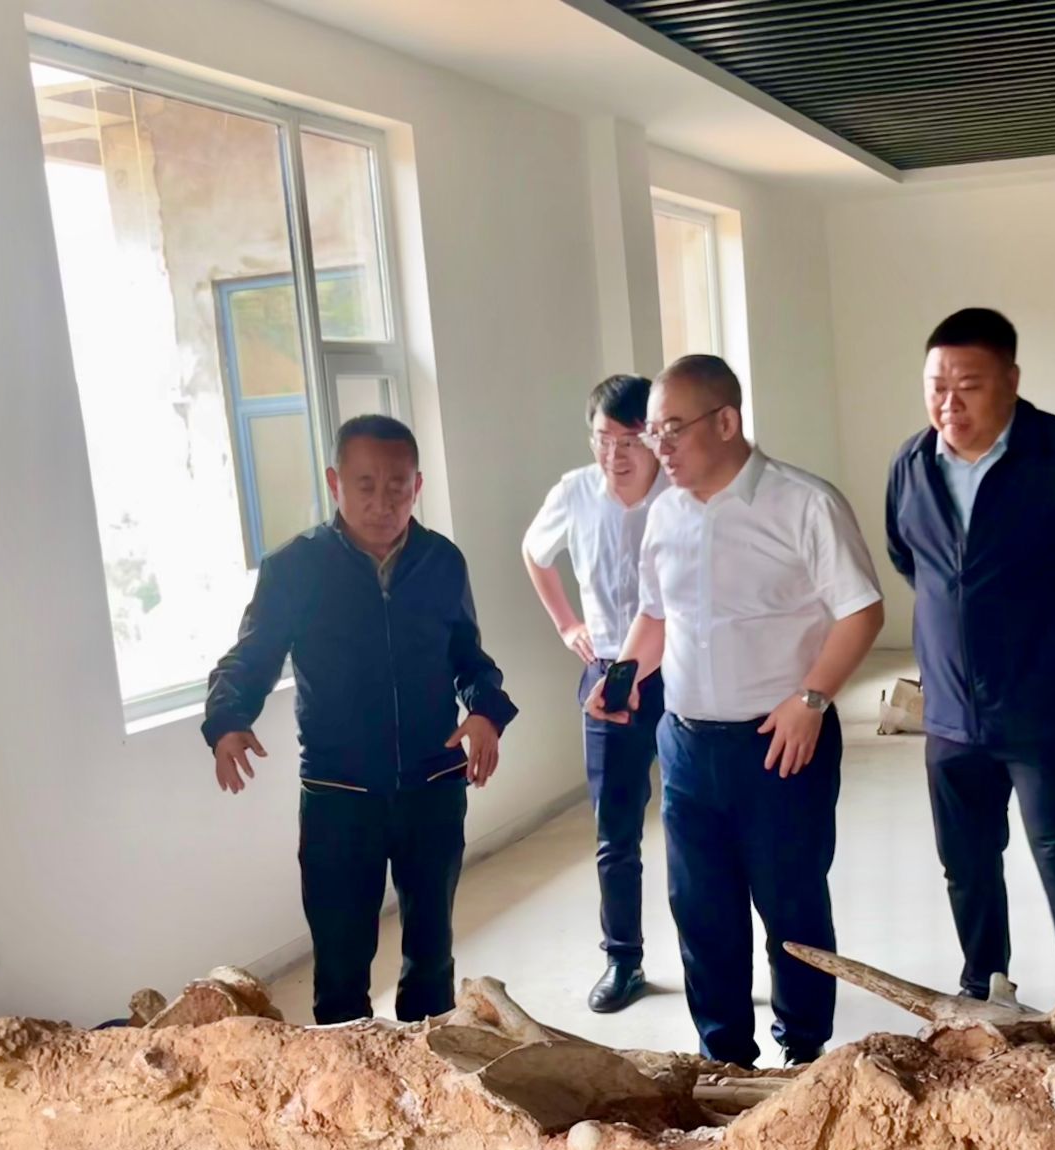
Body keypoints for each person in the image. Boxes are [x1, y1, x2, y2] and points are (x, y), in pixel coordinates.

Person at [590, 355, 884, 1067]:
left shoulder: (803, 503)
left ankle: (805, 1056)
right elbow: (657, 615)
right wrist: (622, 674)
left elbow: (862, 611)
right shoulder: (664, 514)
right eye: (653, 431)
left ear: (726, 422)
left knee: (792, 910)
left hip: (781, 742)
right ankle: (723, 1060)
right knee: (702, 913)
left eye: (672, 429)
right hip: (687, 745)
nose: (659, 446)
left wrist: (812, 699)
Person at [203, 414, 518, 1026]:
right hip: (338, 793)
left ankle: (430, 1067)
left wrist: (486, 712)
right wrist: (227, 718)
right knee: (341, 966)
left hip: (433, 786)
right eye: (365, 485)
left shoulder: (442, 561)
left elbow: (468, 658)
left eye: (397, 486)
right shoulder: (295, 568)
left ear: (417, 485)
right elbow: (253, 655)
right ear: (335, 482)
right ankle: (343, 1078)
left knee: (432, 956)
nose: (382, 502)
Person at [885, 309, 1055, 1022]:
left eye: (968, 385)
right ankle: (984, 993)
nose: (949, 404)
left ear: (1011, 379)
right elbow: (911, 559)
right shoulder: (912, 465)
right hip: (949, 715)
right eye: (936, 386)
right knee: (967, 868)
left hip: (1044, 711)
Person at [522, 376, 667, 1014]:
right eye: (603, 439)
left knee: (697, 826)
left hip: (681, 671)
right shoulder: (575, 492)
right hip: (609, 676)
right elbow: (534, 552)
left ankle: (712, 959)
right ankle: (623, 959)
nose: (615, 454)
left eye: (629, 440)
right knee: (616, 829)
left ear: (654, 438)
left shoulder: (679, 494)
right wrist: (566, 624)